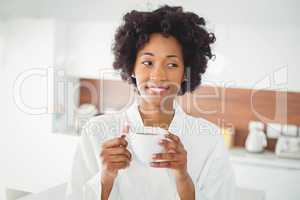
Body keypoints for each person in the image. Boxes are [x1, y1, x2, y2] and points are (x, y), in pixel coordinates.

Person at [66, 5, 236, 200]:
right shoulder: (97, 132)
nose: (158, 75)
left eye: (172, 64)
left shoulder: (208, 139)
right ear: (131, 67)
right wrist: (105, 179)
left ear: (185, 73)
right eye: (148, 62)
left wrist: (183, 178)